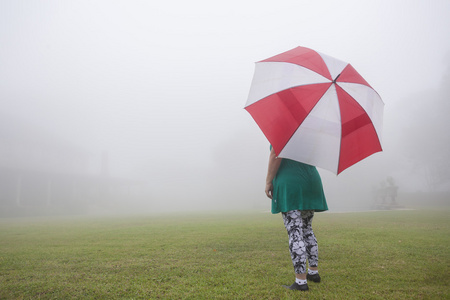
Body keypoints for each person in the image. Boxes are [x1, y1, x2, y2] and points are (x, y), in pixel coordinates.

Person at [265, 146, 328, 291]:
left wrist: (269, 181)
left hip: (291, 183)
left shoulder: (283, 129)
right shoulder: (311, 133)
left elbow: (276, 154)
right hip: (310, 181)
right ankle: (313, 272)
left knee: (295, 231)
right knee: (307, 229)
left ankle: (300, 282)